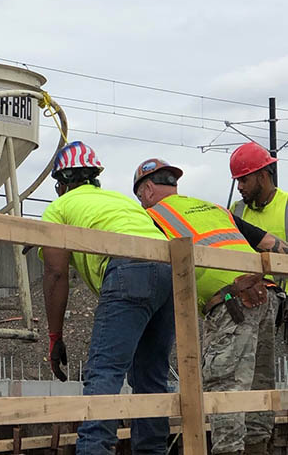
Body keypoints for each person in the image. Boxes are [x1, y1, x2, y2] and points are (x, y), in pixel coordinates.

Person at [134, 157, 285, 455]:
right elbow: (273, 245)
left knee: (225, 390)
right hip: (266, 296)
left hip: (231, 303)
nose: (141, 202)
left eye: (140, 196)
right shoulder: (215, 210)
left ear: (148, 190)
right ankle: (257, 448)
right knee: (258, 389)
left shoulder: (152, 217)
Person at [40, 141, 175, 455]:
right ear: (94, 178)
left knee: (104, 371)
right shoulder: (118, 201)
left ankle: (94, 449)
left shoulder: (58, 209)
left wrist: (55, 336)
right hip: (168, 269)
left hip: (128, 268)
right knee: (151, 375)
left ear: (62, 184)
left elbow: (56, 274)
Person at [231, 142, 288, 242]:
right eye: (238, 181)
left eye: (244, 180)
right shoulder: (236, 210)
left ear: (262, 176)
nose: (239, 187)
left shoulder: (285, 206)